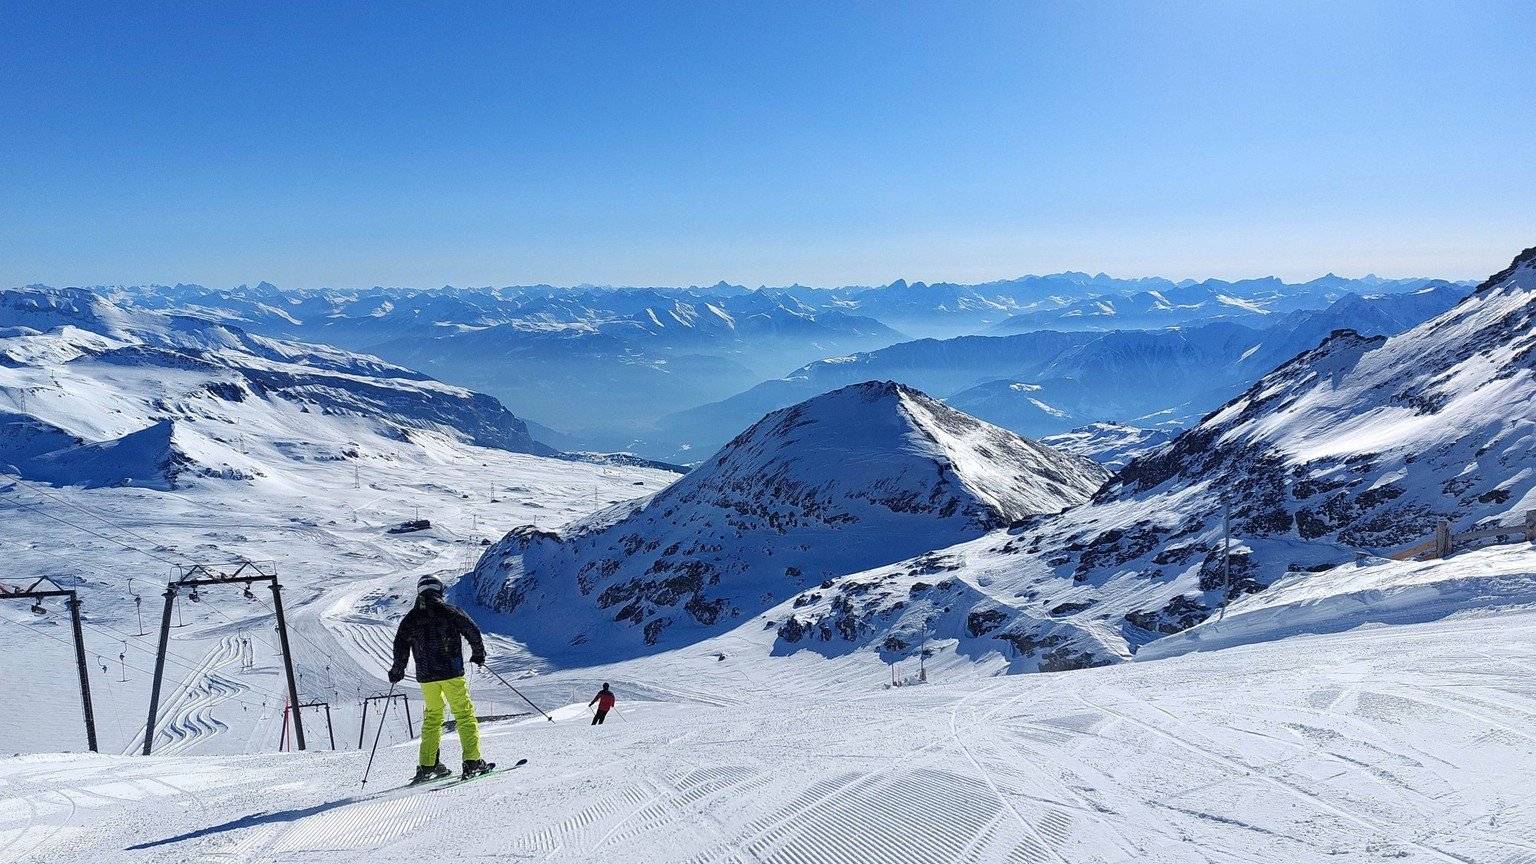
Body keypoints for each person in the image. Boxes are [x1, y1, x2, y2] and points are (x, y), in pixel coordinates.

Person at [389, 575, 493, 781]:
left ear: (420, 592)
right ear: (439, 591)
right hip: (451, 672)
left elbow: (400, 644)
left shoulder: (412, 618)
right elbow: (471, 630)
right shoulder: (449, 611)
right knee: (463, 714)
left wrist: (397, 670)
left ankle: (427, 766)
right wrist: (478, 654)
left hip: (427, 677)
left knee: (433, 718)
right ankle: (472, 762)